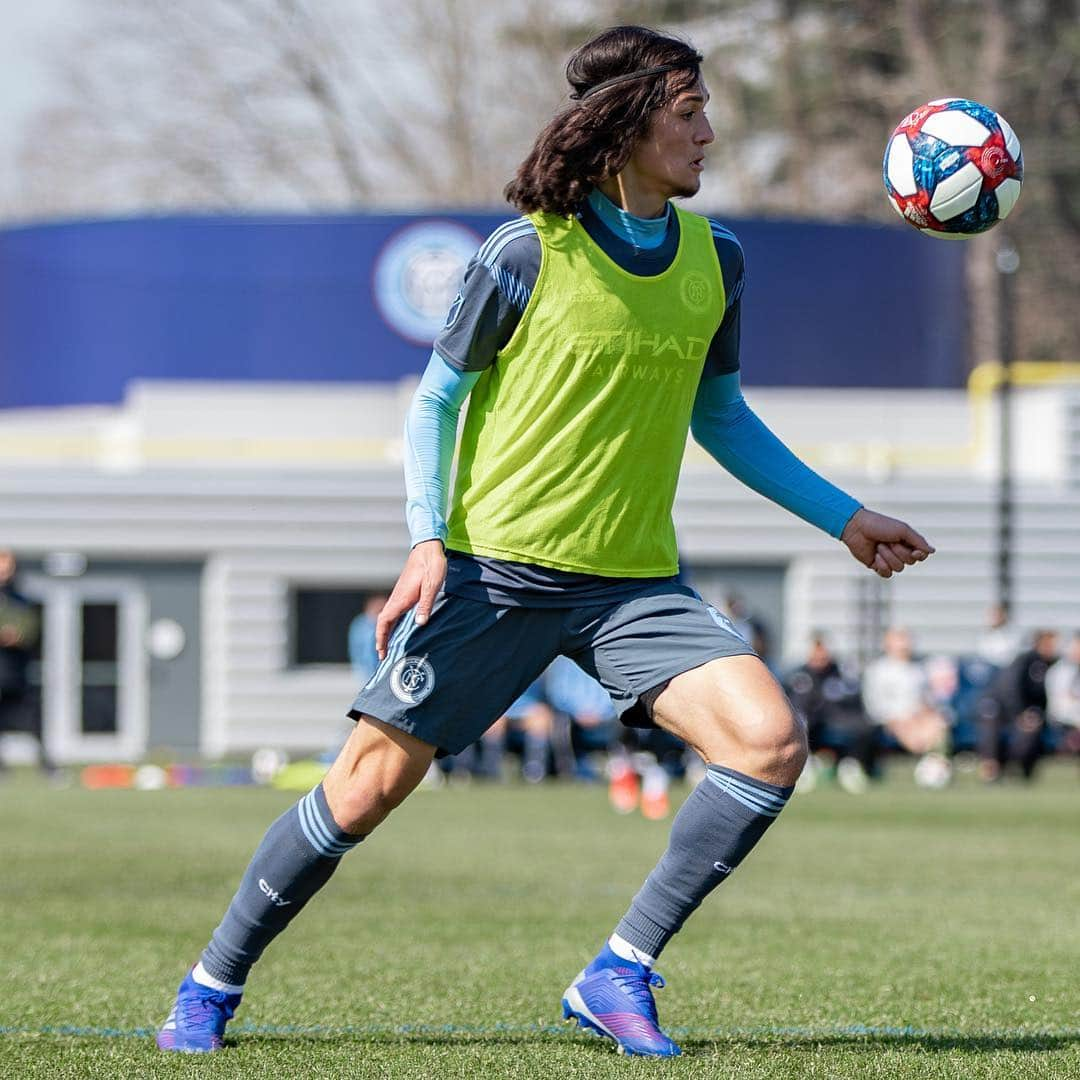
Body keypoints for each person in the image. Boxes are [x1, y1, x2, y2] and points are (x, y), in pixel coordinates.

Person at [157, 26, 934, 1058]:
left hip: (635, 588)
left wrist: (846, 518)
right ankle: (210, 984)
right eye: (689, 111)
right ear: (626, 124)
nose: (710, 131)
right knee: (362, 791)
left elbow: (724, 420)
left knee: (769, 739)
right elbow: (436, 403)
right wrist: (427, 540)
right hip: (492, 575)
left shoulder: (719, 259)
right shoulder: (525, 250)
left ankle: (620, 970)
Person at [860, 627, 949, 782]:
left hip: (917, 719)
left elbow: (927, 700)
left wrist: (925, 712)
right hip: (890, 721)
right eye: (900, 641)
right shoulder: (877, 670)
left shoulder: (918, 669)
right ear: (889, 644)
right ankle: (928, 767)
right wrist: (898, 718)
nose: (905, 645)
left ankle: (936, 768)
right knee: (911, 729)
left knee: (939, 724)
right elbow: (874, 705)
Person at [978, 629, 1059, 781]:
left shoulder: (1050, 664)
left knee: (1031, 730)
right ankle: (991, 768)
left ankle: (1021, 770)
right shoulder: (1024, 661)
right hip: (1005, 710)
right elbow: (1011, 689)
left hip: (1028, 713)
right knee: (990, 721)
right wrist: (1020, 713)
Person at [0, 549, 53, 778]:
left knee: (33, 719)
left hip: (15, 672)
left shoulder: (21, 600)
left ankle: (47, 765)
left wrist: (17, 636)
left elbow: (31, 631)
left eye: (6, 563)